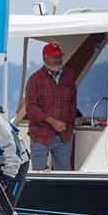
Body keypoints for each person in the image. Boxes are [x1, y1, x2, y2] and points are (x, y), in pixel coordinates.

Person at [25, 42, 77, 171]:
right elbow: (31, 108)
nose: (58, 60)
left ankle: (63, 192)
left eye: (59, 56)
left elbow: (73, 103)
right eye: (54, 57)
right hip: (40, 135)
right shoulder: (35, 79)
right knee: (39, 173)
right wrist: (52, 121)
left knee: (65, 175)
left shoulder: (69, 76)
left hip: (64, 135)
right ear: (44, 58)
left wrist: (69, 125)